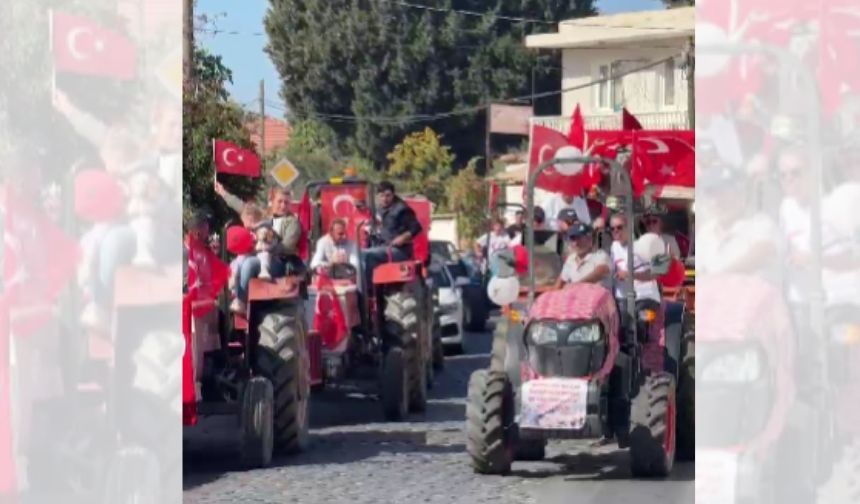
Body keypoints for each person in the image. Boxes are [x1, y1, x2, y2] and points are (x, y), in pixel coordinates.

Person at [360, 181, 423, 292]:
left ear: (393, 194)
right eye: (382, 196)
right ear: (377, 196)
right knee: (359, 253)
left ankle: (367, 292)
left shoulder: (402, 209)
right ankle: (363, 291)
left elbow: (416, 227)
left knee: (367, 255)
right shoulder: (378, 209)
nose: (385, 198)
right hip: (381, 248)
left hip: (398, 251)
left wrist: (403, 237)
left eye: (388, 195)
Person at [609, 213, 661, 304]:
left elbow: (655, 273)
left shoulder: (643, 244)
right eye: (612, 228)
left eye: (619, 227)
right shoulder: (614, 247)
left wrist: (630, 275)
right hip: (622, 298)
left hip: (645, 297)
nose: (615, 231)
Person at [554, 222, 612, 291]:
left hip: (597, 300)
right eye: (573, 239)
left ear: (590, 239)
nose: (576, 243)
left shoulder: (599, 255)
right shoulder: (571, 259)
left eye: (580, 238)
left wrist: (577, 285)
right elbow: (559, 285)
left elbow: (601, 271)